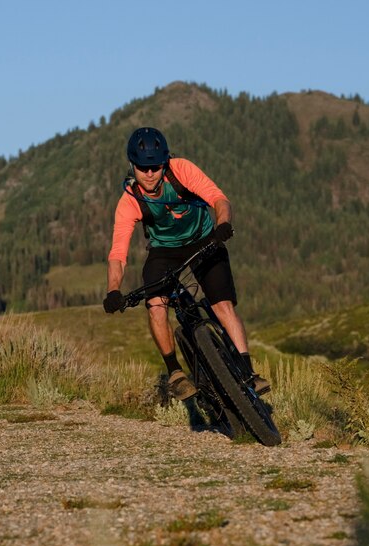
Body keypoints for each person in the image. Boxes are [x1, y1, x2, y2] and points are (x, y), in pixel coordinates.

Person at [103, 127, 269, 401]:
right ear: (133, 166)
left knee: (223, 305)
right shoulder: (129, 201)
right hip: (164, 251)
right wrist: (112, 291)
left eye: (155, 167)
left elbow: (218, 199)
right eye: (143, 168)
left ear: (164, 162)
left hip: (204, 239)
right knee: (156, 304)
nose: (149, 174)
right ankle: (176, 373)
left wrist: (223, 224)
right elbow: (118, 255)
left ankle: (248, 371)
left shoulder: (181, 170)